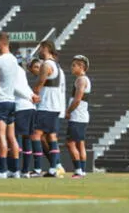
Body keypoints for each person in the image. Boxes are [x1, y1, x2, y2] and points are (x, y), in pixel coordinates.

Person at [31, 40, 64, 178]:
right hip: (55, 105)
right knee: (51, 136)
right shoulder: (58, 66)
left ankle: (38, 169)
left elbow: (40, 82)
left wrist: (34, 94)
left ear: (46, 48)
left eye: (41, 48)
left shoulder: (46, 65)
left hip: (46, 105)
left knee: (36, 135)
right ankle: (54, 168)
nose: (39, 51)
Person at [0, 31, 20, 178]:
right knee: (11, 137)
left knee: (0, 136)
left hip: (1, 101)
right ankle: (15, 170)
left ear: (0, 43)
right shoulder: (14, 60)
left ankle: (2, 170)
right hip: (11, 101)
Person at [66, 55, 91, 179]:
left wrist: (68, 111)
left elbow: (77, 100)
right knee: (80, 143)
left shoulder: (81, 80)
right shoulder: (83, 79)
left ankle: (78, 171)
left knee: (70, 143)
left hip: (77, 116)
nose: (72, 67)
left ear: (81, 66)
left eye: (74, 65)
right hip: (82, 116)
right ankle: (83, 170)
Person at [14, 60, 39, 178]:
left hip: (21, 108)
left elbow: (15, 87)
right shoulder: (22, 72)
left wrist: (30, 96)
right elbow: (25, 87)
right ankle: (25, 171)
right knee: (27, 139)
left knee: (17, 137)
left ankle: (15, 170)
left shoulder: (13, 70)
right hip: (31, 107)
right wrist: (32, 96)